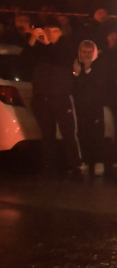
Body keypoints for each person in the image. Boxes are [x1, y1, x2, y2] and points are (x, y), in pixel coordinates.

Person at [25, 18, 80, 176]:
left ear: (60, 32)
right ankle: (49, 167)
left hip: (60, 96)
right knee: (47, 134)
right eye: (48, 31)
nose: (50, 34)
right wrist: (33, 39)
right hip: (42, 97)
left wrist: (48, 44)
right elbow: (25, 60)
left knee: (67, 133)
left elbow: (61, 59)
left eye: (54, 31)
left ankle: (74, 167)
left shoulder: (65, 47)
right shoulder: (39, 48)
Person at [71, 39, 112, 175]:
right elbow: (75, 88)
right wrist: (76, 74)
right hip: (80, 108)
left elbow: (99, 86)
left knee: (97, 134)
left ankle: (99, 162)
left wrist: (88, 69)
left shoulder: (99, 66)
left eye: (89, 52)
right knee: (83, 134)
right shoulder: (75, 66)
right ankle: (87, 161)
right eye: (84, 52)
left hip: (95, 107)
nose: (87, 55)